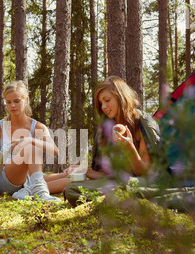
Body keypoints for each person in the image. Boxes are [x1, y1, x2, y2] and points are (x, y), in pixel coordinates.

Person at [47, 76, 160, 206]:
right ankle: (31, 186)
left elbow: (145, 173)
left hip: (142, 182)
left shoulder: (142, 123)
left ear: (121, 98)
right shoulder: (108, 128)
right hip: (117, 182)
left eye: (107, 100)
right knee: (73, 185)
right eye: (101, 103)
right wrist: (85, 170)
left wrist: (129, 148)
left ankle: (117, 196)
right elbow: (108, 176)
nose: (104, 107)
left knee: (76, 188)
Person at [0, 80, 61, 202]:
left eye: (16, 101)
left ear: (26, 100)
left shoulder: (38, 127)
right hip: (2, 179)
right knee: (30, 148)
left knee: (71, 179)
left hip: (26, 181)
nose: (12, 106)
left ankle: (26, 192)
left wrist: (30, 139)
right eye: (8, 102)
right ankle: (40, 194)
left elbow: (55, 150)